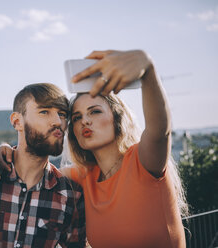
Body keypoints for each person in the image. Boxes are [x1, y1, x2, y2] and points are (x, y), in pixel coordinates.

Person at [65, 50, 188, 247]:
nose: (84, 121)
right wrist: (3, 151)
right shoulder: (82, 177)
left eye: (94, 111)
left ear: (117, 118)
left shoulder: (142, 161)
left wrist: (147, 69)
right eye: (77, 117)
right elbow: (35, 170)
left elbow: (160, 130)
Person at [0, 83, 86, 247]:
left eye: (62, 114)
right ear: (17, 121)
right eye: (44, 112)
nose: (57, 121)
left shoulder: (71, 195)